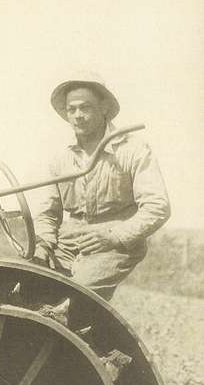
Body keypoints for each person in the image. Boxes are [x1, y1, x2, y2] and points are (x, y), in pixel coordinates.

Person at [33, 73, 170, 299]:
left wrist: (113, 236)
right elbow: (48, 211)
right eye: (72, 109)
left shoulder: (132, 149)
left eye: (85, 108)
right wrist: (44, 244)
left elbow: (158, 206)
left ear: (104, 107)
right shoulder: (61, 158)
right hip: (69, 243)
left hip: (114, 246)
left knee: (76, 298)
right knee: (27, 284)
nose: (78, 116)